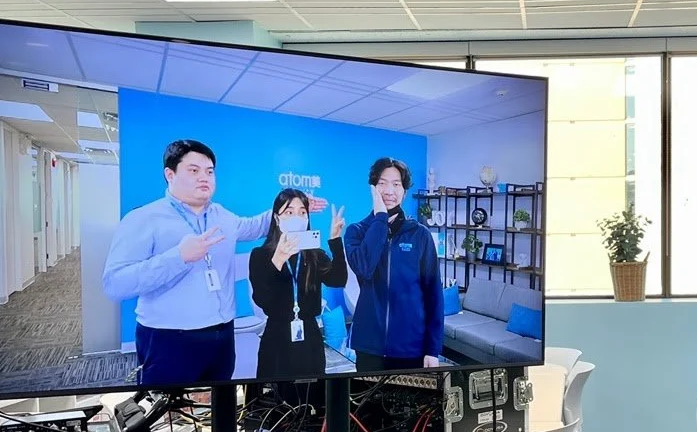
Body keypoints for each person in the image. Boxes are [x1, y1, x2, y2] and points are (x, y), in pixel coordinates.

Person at [102, 138, 326, 386]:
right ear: (170, 174)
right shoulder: (144, 218)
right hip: (170, 339)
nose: (204, 178)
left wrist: (292, 207)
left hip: (222, 335)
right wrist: (178, 257)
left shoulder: (222, 216)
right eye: (193, 170)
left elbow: (254, 226)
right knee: (173, 408)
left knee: (219, 405)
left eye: (209, 172)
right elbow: (115, 284)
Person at [343, 157, 444, 372]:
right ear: (372, 188)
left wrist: (433, 349)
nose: (389, 191)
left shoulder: (420, 235)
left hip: (411, 346)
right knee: (366, 395)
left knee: (408, 395)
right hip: (369, 345)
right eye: (382, 183)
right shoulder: (356, 232)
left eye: (396, 184)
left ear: (404, 192)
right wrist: (380, 218)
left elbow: (433, 294)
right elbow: (364, 267)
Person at [249, 189, 347, 380]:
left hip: (310, 338)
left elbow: (338, 280)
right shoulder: (260, 255)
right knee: (277, 395)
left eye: (302, 212)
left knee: (312, 394)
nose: (297, 217)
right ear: (277, 218)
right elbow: (262, 299)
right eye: (289, 212)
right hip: (277, 339)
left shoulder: (314, 255)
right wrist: (277, 261)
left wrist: (335, 240)